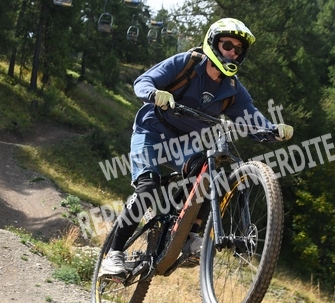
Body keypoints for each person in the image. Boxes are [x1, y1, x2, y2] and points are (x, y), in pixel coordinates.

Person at [100, 17, 294, 276]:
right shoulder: (187, 63)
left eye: (238, 50)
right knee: (147, 188)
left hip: (185, 144)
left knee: (207, 175)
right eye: (227, 45)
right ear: (213, 43)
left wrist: (273, 130)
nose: (232, 53)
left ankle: (188, 235)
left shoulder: (233, 90)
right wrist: (155, 94)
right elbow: (143, 82)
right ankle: (113, 254)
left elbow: (252, 119)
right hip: (152, 132)